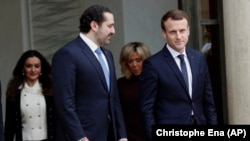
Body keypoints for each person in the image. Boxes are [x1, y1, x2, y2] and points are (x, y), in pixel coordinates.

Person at [52, 4, 127, 141]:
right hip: (85, 136)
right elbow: (64, 102)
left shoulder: (108, 55)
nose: (113, 31)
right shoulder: (67, 54)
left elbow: (113, 98)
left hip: (111, 135)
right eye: (109, 26)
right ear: (94, 25)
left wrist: (122, 135)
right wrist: (80, 137)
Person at [139, 9, 218, 140]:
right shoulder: (153, 65)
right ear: (164, 33)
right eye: (172, 32)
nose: (179, 36)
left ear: (189, 31)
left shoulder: (199, 58)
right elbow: (146, 109)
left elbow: (208, 101)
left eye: (182, 31)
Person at [4, 50, 56, 141]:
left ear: (41, 69)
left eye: (37, 66)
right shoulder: (14, 91)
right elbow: (9, 125)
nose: (33, 70)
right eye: (29, 66)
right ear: (23, 68)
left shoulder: (50, 89)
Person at [117, 42, 151, 141]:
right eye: (130, 61)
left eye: (138, 60)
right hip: (130, 135)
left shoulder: (155, 81)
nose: (134, 65)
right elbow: (118, 114)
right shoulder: (121, 84)